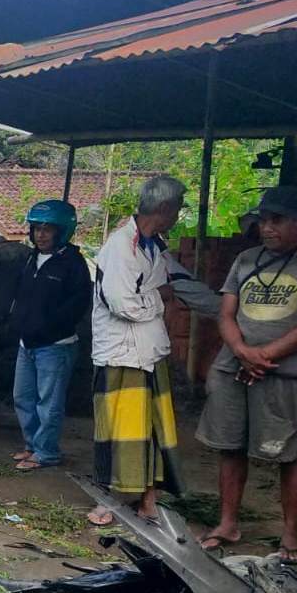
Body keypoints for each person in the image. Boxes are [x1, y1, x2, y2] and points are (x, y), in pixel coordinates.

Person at [195, 186, 297, 563]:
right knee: (231, 447)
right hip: (233, 367)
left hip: (286, 374)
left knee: (289, 453)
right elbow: (226, 313)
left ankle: (290, 535)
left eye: (276, 221)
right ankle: (228, 523)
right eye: (263, 221)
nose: (268, 228)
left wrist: (267, 355)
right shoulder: (246, 259)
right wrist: (243, 352)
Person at [87, 175, 187, 526]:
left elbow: (168, 288)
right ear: (164, 209)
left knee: (151, 430)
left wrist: (160, 298)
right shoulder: (119, 246)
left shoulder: (153, 245)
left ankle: (148, 500)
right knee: (120, 430)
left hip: (148, 351)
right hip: (121, 353)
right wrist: (159, 299)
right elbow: (122, 304)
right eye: (177, 208)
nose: (178, 215)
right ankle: (110, 499)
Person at [11, 200, 91, 472]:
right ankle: (32, 445)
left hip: (55, 346)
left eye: (47, 229)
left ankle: (46, 453)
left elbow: (77, 306)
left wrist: (48, 328)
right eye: (36, 229)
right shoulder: (31, 258)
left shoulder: (73, 263)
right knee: (23, 397)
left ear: (62, 231)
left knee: (49, 404)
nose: (41, 235)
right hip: (27, 344)